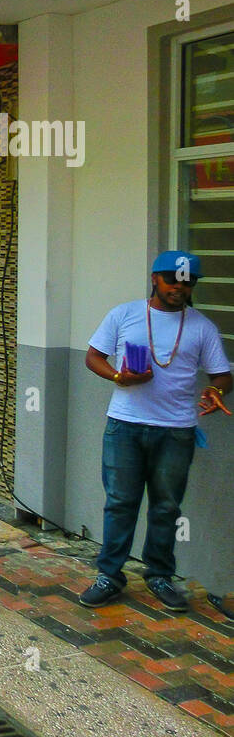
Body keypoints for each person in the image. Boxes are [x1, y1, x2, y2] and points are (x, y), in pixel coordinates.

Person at [79, 250, 231, 612]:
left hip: (176, 431)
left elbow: (222, 374)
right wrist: (119, 377)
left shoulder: (201, 327)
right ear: (154, 279)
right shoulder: (124, 314)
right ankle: (109, 576)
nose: (180, 287)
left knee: (166, 507)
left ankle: (159, 574)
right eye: (172, 279)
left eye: (188, 281)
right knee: (120, 504)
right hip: (125, 426)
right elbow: (93, 356)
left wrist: (217, 390)